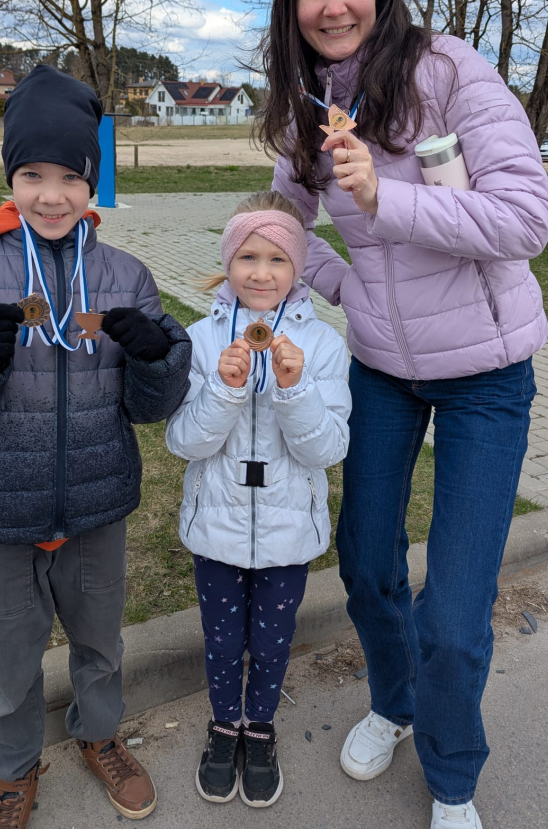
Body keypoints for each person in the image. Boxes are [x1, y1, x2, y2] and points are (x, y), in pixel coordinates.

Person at [261, 0, 548, 829]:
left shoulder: (449, 72)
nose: (332, 4)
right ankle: (393, 702)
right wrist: (342, 287)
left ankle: (453, 776)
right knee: (364, 562)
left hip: (486, 374)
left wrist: (388, 201)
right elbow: (281, 225)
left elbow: (524, 220)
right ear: (292, 6)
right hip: (384, 368)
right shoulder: (306, 109)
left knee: (455, 615)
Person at [0, 65, 192, 829]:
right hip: (3, 508)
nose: (51, 194)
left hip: (96, 503)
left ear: (93, 184)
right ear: (10, 177)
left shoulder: (126, 276)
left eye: (69, 176)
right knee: (8, 657)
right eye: (32, 174)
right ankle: (11, 768)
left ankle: (100, 737)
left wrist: (160, 355)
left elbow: (157, 407)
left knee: (99, 643)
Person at [165, 191, 350, 809]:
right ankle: (224, 728)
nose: (262, 273)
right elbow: (183, 441)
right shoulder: (196, 340)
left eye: (277, 258)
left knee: (271, 642)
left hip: (287, 531)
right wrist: (222, 387)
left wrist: (295, 391)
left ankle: (261, 727)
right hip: (215, 529)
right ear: (228, 261)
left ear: (297, 268)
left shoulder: (323, 347)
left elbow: (327, 450)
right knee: (221, 641)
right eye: (248, 256)